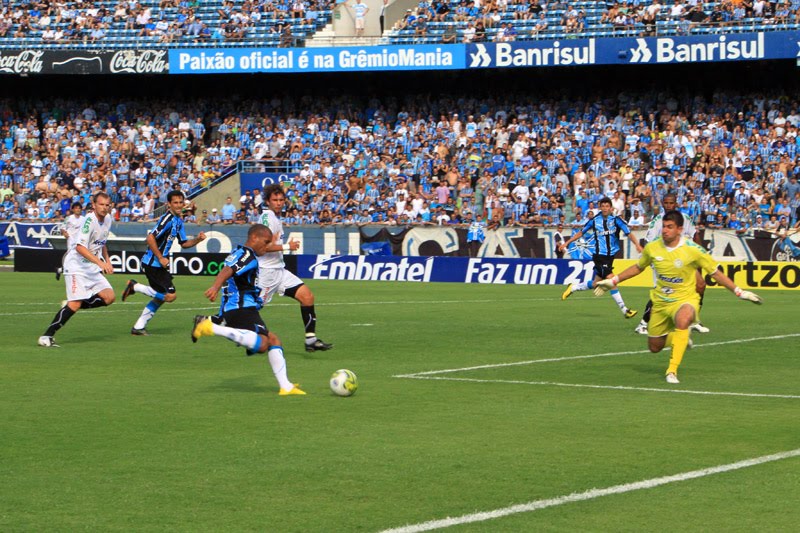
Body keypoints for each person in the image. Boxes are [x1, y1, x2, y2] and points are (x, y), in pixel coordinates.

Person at [594, 210, 763, 384]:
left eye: (670, 227)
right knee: (654, 347)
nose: (665, 230)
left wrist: (739, 292)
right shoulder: (653, 248)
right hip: (660, 302)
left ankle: (672, 371)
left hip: (685, 298)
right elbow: (638, 267)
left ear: (680, 229)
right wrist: (614, 280)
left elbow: (715, 273)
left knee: (683, 320)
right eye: (664, 227)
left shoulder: (693, 249)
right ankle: (679, 339)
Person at [191, 224, 305, 396]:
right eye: (265, 242)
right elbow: (228, 270)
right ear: (254, 238)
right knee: (263, 344)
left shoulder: (241, 253)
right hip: (240, 307)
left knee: (273, 340)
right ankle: (210, 327)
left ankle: (286, 386)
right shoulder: (247, 255)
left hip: (240, 307)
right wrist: (215, 287)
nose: (267, 247)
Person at [258, 184, 332, 352]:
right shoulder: (268, 218)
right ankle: (213, 322)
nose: (278, 203)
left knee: (307, 297)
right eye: (274, 200)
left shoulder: (274, 218)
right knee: (248, 312)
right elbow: (261, 247)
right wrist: (286, 246)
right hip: (266, 273)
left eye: (281, 200)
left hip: (279, 271)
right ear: (268, 202)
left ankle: (310, 340)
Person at [122, 190, 207, 335]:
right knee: (170, 296)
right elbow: (150, 238)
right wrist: (161, 257)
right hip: (153, 264)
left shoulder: (178, 220)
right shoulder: (167, 219)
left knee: (161, 298)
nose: (179, 205)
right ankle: (135, 287)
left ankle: (138, 327)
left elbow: (184, 243)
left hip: (159, 265)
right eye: (175, 203)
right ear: (169, 204)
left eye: (181, 202)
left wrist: (198, 239)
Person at [38, 193, 115, 347]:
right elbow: (80, 248)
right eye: (101, 204)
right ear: (93, 205)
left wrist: (107, 260)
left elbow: (102, 242)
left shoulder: (108, 219)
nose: (104, 208)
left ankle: (73, 303)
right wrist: (101, 264)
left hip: (91, 266)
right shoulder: (89, 220)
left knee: (109, 297)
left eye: (107, 205)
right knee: (74, 305)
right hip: (76, 266)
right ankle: (46, 336)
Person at [634, 193, 709, 335]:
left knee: (700, 286)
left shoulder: (685, 219)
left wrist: (700, 256)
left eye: (671, 203)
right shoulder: (658, 221)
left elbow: (695, 236)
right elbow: (647, 241)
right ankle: (643, 323)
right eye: (666, 203)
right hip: (663, 260)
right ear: (663, 204)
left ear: (676, 204)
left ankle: (693, 321)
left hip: (684, 261)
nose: (669, 206)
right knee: (664, 291)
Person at [558, 196, 643, 318]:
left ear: (611, 208)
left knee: (595, 283)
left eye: (607, 206)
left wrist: (637, 245)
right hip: (599, 256)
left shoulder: (616, 220)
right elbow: (581, 232)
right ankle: (625, 310)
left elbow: (628, 233)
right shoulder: (595, 220)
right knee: (612, 280)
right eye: (602, 206)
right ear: (599, 208)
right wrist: (567, 242)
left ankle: (573, 287)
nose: (604, 208)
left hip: (610, 257)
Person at [55, 201, 84, 281]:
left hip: (81, 242)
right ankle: (68, 273)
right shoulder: (69, 218)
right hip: (71, 241)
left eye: (79, 208)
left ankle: (60, 270)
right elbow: (62, 227)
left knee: (78, 259)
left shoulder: (84, 219)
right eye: (76, 208)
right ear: (73, 210)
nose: (78, 210)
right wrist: (64, 233)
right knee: (70, 258)